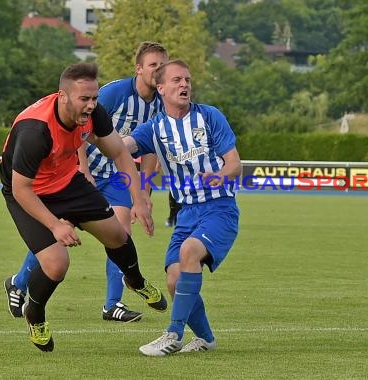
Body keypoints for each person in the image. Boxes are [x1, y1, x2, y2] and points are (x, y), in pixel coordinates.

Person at [0, 62, 167, 352]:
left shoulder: (93, 113)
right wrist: (55, 224)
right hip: (28, 192)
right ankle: (35, 314)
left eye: (94, 98)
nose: (91, 105)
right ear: (62, 97)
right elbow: (21, 188)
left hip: (67, 181)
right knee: (57, 263)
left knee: (117, 235)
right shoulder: (35, 131)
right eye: (84, 99)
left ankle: (136, 281)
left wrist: (140, 199)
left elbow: (119, 152)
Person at [124, 59, 242, 356]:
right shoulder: (155, 128)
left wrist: (217, 176)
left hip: (219, 208)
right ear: (160, 88)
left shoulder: (210, 117)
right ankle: (206, 339)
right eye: (176, 80)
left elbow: (235, 165)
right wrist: (90, 136)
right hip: (187, 214)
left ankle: (173, 334)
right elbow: (122, 146)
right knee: (175, 280)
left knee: (189, 252)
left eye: (187, 80)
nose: (184, 85)